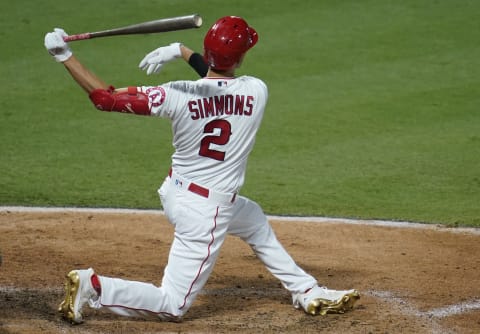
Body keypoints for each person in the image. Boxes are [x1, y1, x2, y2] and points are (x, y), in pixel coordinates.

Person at [44, 16, 359, 325]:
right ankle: (94, 286)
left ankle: (306, 290)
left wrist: (65, 55)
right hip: (206, 211)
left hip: (177, 191)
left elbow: (106, 99)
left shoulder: (175, 94)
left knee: (253, 220)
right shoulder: (256, 91)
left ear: (208, 51)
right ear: (242, 56)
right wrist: (181, 51)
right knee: (172, 305)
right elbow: (220, 81)